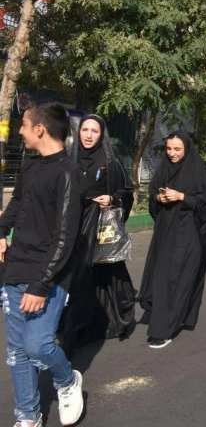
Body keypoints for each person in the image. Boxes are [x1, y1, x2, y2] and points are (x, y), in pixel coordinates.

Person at [0, 102, 85, 427]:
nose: (19, 130)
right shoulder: (30, 166)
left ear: (40, 129)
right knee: (17, 352)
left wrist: (40, 284)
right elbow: (18, 203)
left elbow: (65, 238)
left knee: (37, 345)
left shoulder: (68, 173)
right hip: (16, 267)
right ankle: (27, 417)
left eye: (23, 124)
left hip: (49, 275)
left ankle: (68, 381)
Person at [60, 114, 136, 349]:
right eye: (85, 130)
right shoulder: (67, 160)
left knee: (99, 276)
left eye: (94, 131)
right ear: (77, 132)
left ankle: (102, 323)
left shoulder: (110, 163)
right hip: (72, 226)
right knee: (73, 276)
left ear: (101, 135)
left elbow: (127, 192)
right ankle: (74, 325)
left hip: (98, 228)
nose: (89, 135)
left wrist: (112, 198)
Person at [139, 130, 206, 348]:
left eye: (177, 149)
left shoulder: (197, 171)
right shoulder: (164, 168)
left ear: (186, 149)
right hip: (165, 231)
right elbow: (154, 193)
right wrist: (159, 197)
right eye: (169, 148)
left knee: (174, 278)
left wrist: (182, 197)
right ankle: (176, 317)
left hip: (188, 233)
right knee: (162, 275)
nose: (172, 153)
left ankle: (163, 329)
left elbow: (205, 205)